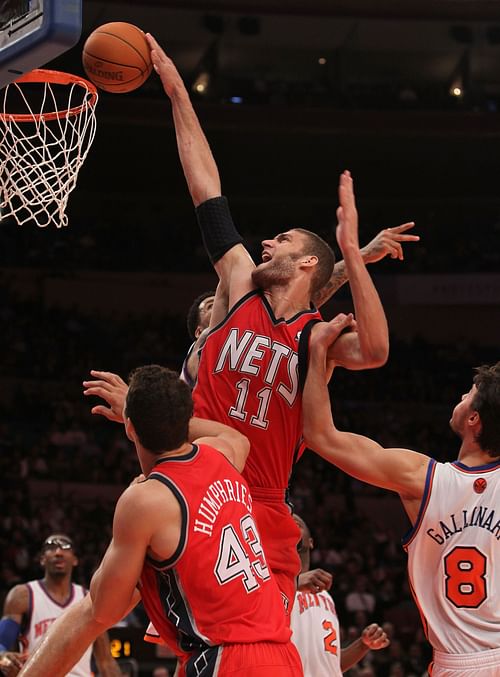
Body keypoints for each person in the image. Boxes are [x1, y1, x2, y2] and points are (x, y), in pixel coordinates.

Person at [133, 34, 422, 617]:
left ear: (310, 261)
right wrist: (175, 92)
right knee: (197, 641)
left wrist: (354, 253)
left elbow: (378, 349)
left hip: (263, 502)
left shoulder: (319, 336)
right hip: (198, 478)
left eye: (282, 240)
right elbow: (205, 188)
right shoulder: (238, 284)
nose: (265, 242)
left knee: (263, 645)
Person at [20, 365, 302, 677]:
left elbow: (104, 609)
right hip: (283, 655)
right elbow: (233, 435)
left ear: (129, 428)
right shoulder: (223, 455)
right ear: (186, 419)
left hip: (226, 661)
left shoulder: (145, 500)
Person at [302, 316, 500, 676]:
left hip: (459, 663)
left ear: (474, 419)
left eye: (467, 394)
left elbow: (320, 436)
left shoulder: (424, 479)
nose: (460, 396)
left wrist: (318, 352)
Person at [0, 534, 120, 677]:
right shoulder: (23, 595)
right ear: (42, 559)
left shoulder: (90, 598)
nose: (58, 552)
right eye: (51, 547)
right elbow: (2, 644)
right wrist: (3, 657)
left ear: (75, 560)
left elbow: (105, 661)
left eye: (65, 547)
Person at [291, 514, 389, 676]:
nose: (292, 517)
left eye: (298, 519)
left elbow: (333, 663)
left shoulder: (325, 596)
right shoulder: (271, 585)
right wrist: (293, 583)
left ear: (311, 542)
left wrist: (364, 644)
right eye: (286, 520)